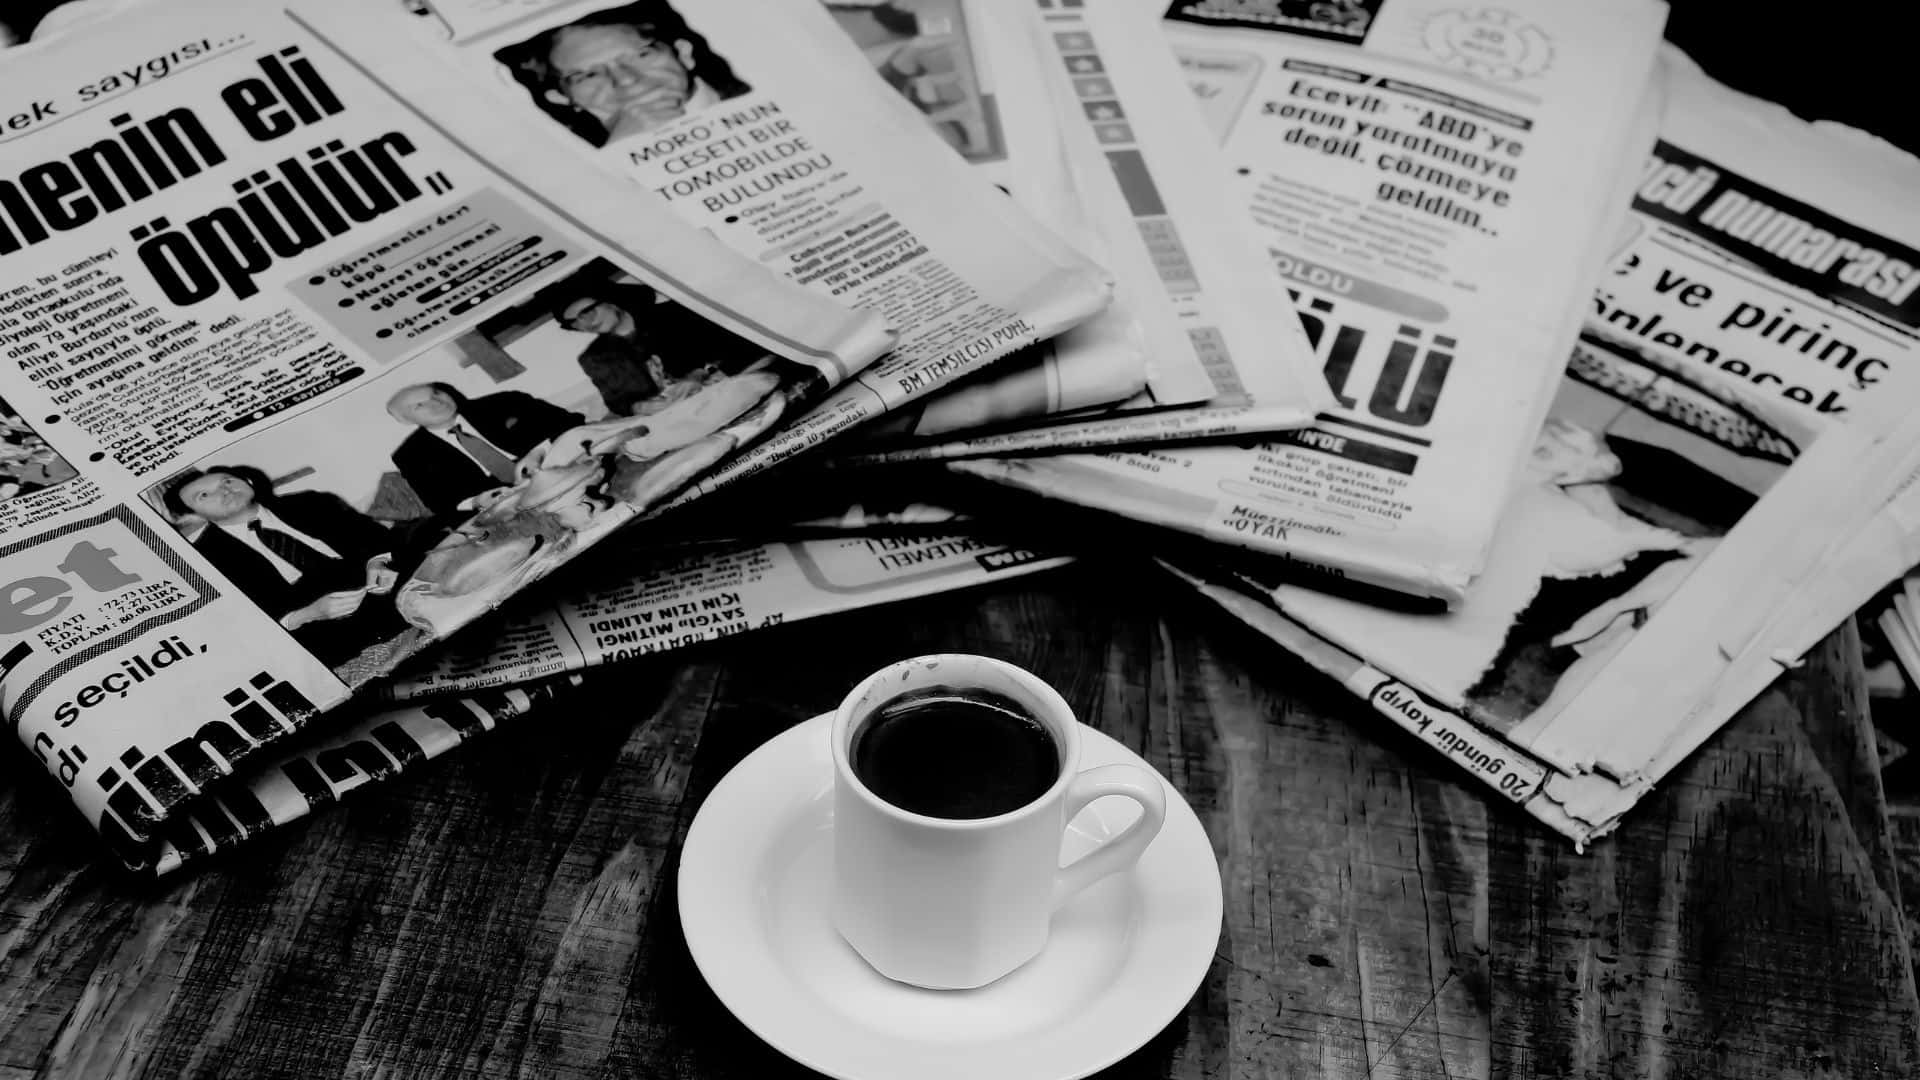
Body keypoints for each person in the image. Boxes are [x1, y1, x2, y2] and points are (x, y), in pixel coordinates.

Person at [163, 465, 401, 667]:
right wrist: (308, 614)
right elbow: (249, 625)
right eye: (203, 495)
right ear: (193, 515)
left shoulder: (310, 502)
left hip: (371, 578)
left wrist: (377, 561)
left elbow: (374, 536)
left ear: (247, 481)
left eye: (227, 480)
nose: (224, 490)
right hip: (316, 617)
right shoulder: (206, 561)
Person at [497, 4, 751, 148]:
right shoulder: (575, 162)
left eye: (641, 56)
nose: (627, 80)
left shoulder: (762, 85)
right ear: (560, 97)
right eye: (588, 75)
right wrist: (624, 148)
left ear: (684, 54)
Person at [387, 383, 583, 516]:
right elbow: (440, 503)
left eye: (436, 394)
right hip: (510, 505)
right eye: (420, 405)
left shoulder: (504, 402)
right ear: (404, 420)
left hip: (561, 467)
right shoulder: (410, 455)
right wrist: (477, 501)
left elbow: (570, 421)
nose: (436, 403)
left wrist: (539, 451)